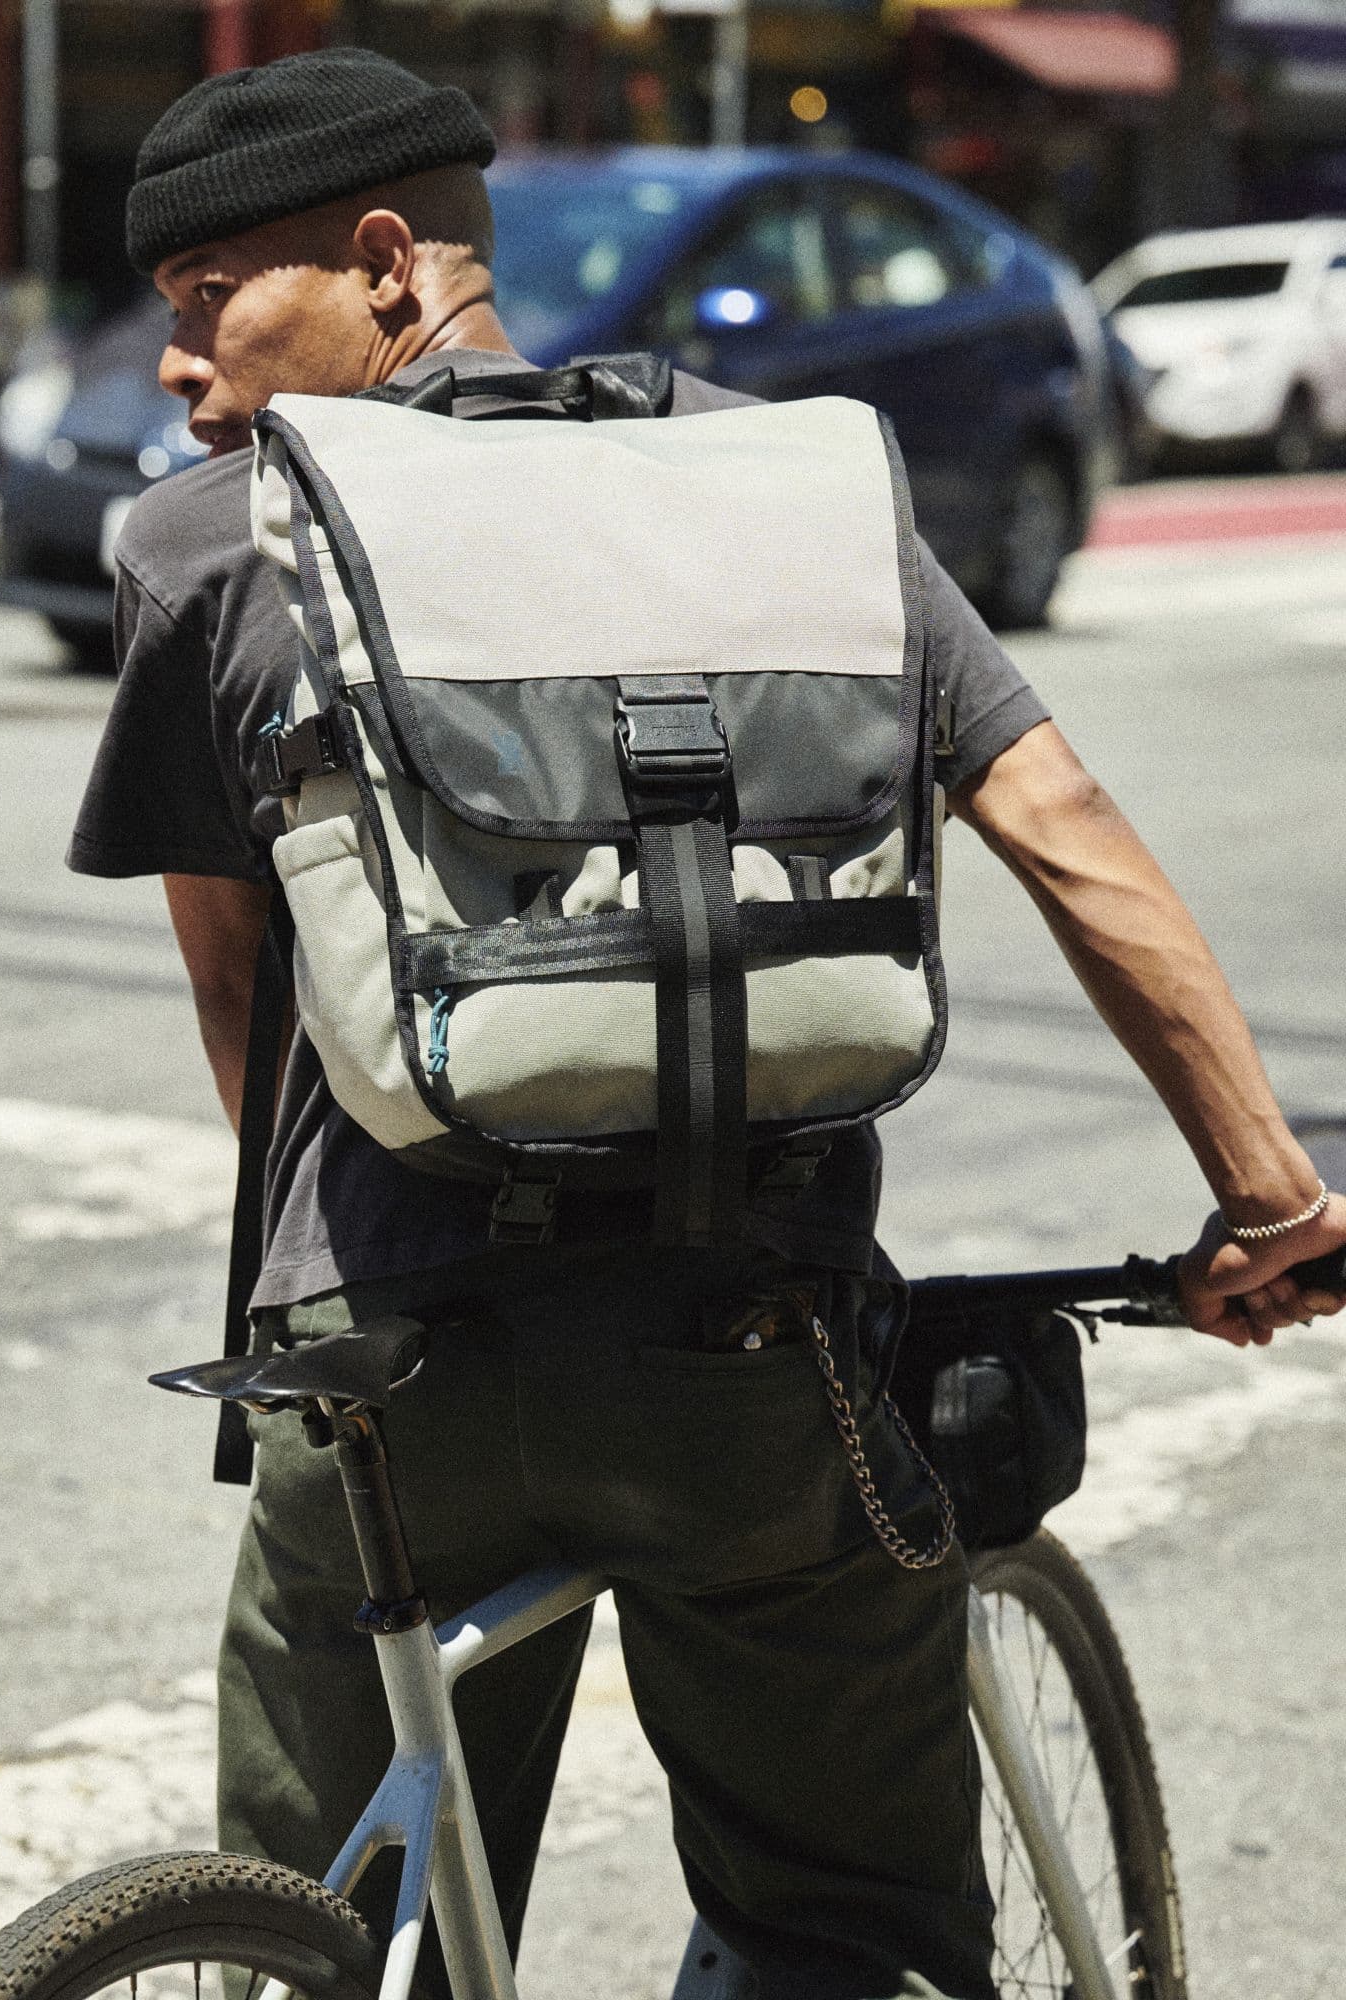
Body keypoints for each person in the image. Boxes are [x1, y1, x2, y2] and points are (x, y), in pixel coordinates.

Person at [67, 47, 1345, 2000]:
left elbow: (245, 1007)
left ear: (388, 267)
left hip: (399, 1377)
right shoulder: (788, 492)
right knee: (833, 1922)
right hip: (753, 1349)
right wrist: (1264, 1190)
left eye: (210, 296)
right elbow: (1060, 823)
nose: (177, 363)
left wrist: (338, 1283)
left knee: (340, 1936)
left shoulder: (206, 549)